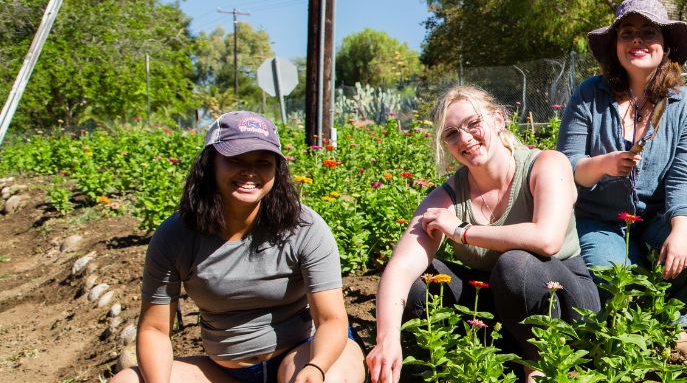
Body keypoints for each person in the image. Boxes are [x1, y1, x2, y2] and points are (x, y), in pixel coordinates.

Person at [365, 85, 600, 383]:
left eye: (473, 124)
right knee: (418, 281)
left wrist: (463, 231)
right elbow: (400, 266)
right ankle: (488, 358)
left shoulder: (546, 164)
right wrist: (387, 339)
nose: (464, 138)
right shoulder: (448, 195)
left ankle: (542, 364)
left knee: (516, 265)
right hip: (498, 306)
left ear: (498, 120)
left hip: (563, 300)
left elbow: (547, 239)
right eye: (451, 134)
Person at [114, 111, 364, 383]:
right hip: (227, 373)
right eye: (236, 160)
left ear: (276, 171)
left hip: (304, 356)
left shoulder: (304, 227)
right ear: (210, 164)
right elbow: (154, 330)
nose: (250, 172)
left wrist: (316, 368)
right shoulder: (176, 236)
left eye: (263, 162)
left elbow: (331, 319)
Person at [556, 0, 687, 359]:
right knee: (611, 273)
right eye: (627, 33)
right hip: (599, 219)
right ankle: (631, 325)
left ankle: (671, 322)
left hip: (659, 218)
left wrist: (679, 232)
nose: (637, 41)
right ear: (615, 45)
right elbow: (565, 166)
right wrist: (602, 164)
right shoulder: (589, 95)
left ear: (665, 45)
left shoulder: (686, 104)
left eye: (649, 32)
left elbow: (684, 177)